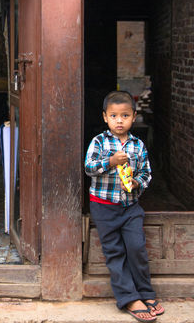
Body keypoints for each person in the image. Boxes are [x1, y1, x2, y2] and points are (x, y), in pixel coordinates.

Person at [85, 91, 164, 322]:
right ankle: (129, 297)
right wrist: (110, 161)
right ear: (105, 117)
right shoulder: (99, 142)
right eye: (114, 116)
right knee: (114, 252)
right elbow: (89, 168)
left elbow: (146, 173)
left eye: (125, 115)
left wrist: (137, 182)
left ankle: (146, 293)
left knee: (137, 248)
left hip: (130, 207)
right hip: (104, 206)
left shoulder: (138, 145)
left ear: (134, 117)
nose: (119, 121)